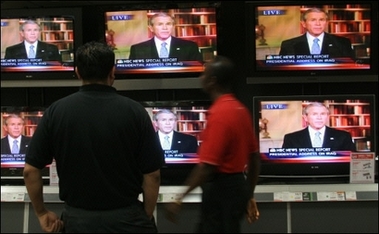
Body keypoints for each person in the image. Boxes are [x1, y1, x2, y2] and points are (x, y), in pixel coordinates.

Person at [23, 41, 164, 233]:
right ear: (112, 72)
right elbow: (153, 175)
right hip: (128, 219)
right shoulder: (135, 112)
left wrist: (41, 212)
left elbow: (30, 171)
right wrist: (145, 215)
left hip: (78, 221)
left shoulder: (56, 112)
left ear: (78, 72)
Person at [164, 56, 261, 233]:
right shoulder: (241, 110)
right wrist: (249, 194)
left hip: (220, 192)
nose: (201, 78)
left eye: (204, 74)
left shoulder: (219, 114)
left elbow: (207, 167)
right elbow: (254, 158)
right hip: (237, 187)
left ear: (212, 81)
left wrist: (179, 198)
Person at [279, 8, 355, 59]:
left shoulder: (343, 43)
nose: (318, 24)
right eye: (313, 20)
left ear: (326, 23)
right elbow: (283, 69)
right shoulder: (288, 45)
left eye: (321, 20)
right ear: (304, 24)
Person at [129, 12, 203, 62]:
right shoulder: (137, 49)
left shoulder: (190, 47)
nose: (165, 28)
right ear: (151, 28)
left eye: (168, 24)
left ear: (173, 27)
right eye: (160, 24)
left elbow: (197, 71)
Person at [282, 102, 356, 151]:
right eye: (314, 114)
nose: (319, 118)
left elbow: (352, 160)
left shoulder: (343, 136)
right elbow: (286, 162)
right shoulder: (291, 138)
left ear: (327, 117)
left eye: (323, 114)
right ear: (305, 118)